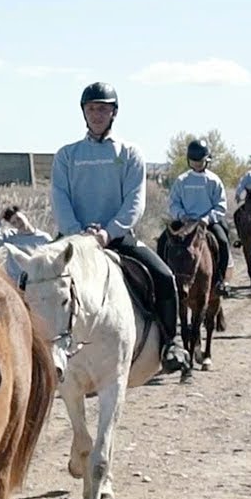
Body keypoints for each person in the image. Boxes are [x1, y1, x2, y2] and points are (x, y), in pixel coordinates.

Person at [51, 81, 189, 373]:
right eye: (91, 108)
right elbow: (60, 199)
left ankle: (171, 343)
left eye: (103, 108)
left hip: (115, 237)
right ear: (83, 113)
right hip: (74, 239)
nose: (97, 114)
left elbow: (134, 202)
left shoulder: (129, 153)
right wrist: (78, 234)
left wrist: (106, 233)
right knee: (34, 278)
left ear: (114, 112)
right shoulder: (66, 155)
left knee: (164, 277)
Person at [164, 139, 230, 291]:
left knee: (222, 241)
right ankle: (164, 279)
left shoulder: (214, 180)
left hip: (207, 222)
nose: (197, 164)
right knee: (164, 241)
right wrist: (182, 215)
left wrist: (207, 218)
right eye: (194, 161)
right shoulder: (182, 180)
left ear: (206, 160)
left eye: (200, 161)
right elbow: (174, 203)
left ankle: (220, 279)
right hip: (185, 222)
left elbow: (221, 205)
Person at [0, 205, 51, 284]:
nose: (18, 223)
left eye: (19, 219)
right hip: (14, 284)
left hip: (36, 283)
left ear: (24, 215)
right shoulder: (10, 236)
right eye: (14, 223)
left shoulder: (43, 238)